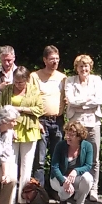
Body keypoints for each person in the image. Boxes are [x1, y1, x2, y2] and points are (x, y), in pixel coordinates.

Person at [0, 66, 43, 204]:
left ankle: (24, 198)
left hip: (29, 130)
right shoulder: (7, 90)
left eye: (21, 82)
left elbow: (40, 109)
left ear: (27, 80)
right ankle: (8, 199)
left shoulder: (34, 90)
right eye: (15, 82)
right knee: (10, 165)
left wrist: (21, 109)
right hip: (11, 130)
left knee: (26, 166)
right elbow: (0, 110)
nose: (17, 85)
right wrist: (6, 130)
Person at [65, 54, 102, 202]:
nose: (83, 69)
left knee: (94, 157)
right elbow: (71, 100)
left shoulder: (97, 80)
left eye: (86, 66)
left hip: (93, 122)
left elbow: (99, 100)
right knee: (75, 155)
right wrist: (88, 100)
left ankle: (93, 189)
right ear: (76, 68)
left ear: (90, 67)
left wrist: (80, 103)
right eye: (81, 66)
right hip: (75, 123)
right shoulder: (70, 81)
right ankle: (76, 188)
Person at [31, 45, 66, 186]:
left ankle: (55, 189)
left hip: (58, 121)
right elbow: (30, 99)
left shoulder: (63, 78)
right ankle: (39, 192)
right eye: (52, 59)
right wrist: (36, 121)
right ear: (44, 60)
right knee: (39, 160)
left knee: (57, 158)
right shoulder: (35, 76)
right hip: (41, 121)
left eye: (57, 59)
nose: (55, 62)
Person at [50, 120, 95, 204]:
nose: (67, 137)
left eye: (71, 135)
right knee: (66, 192)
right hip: (59, 177)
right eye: (67, 134)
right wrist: (63, 181)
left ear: (79, 136)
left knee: (88, 179)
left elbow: (88, 165)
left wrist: (76, 171)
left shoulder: (87, 146)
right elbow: (54, 167)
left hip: (75, 178)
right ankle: (63, 200)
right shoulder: (60, 145)